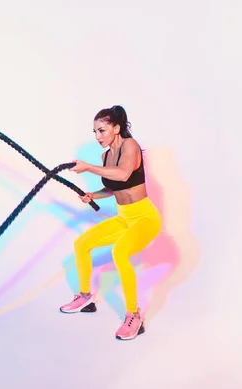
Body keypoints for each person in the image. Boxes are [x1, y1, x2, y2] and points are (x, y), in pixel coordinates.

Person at [63, 105, 162, 341]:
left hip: (145, 218)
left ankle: (133, 316)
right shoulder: (106, 155)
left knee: (120, 252)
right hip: (124, 217)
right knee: (81, 244)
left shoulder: (131, 146)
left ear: (116, 128)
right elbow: (113, 185)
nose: (98, 137)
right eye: (95, 132)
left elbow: (124, 174)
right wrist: (94, 195)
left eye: (102, 130)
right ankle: (86, 297)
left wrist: (87, 167)